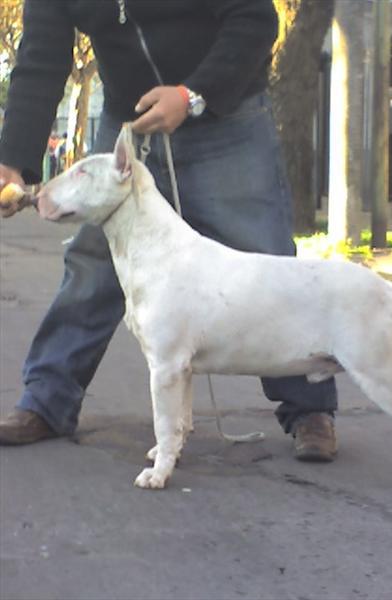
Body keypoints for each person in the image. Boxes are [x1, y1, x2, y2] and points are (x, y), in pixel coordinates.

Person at [0, 0, 338, 460]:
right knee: (94, 264)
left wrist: (193, 93)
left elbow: (255, 17)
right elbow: (41, 57)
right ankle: (46, 401)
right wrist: (13, 159)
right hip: (131, 126)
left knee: (266, 257)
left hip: (224, 112)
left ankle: (308, 408)